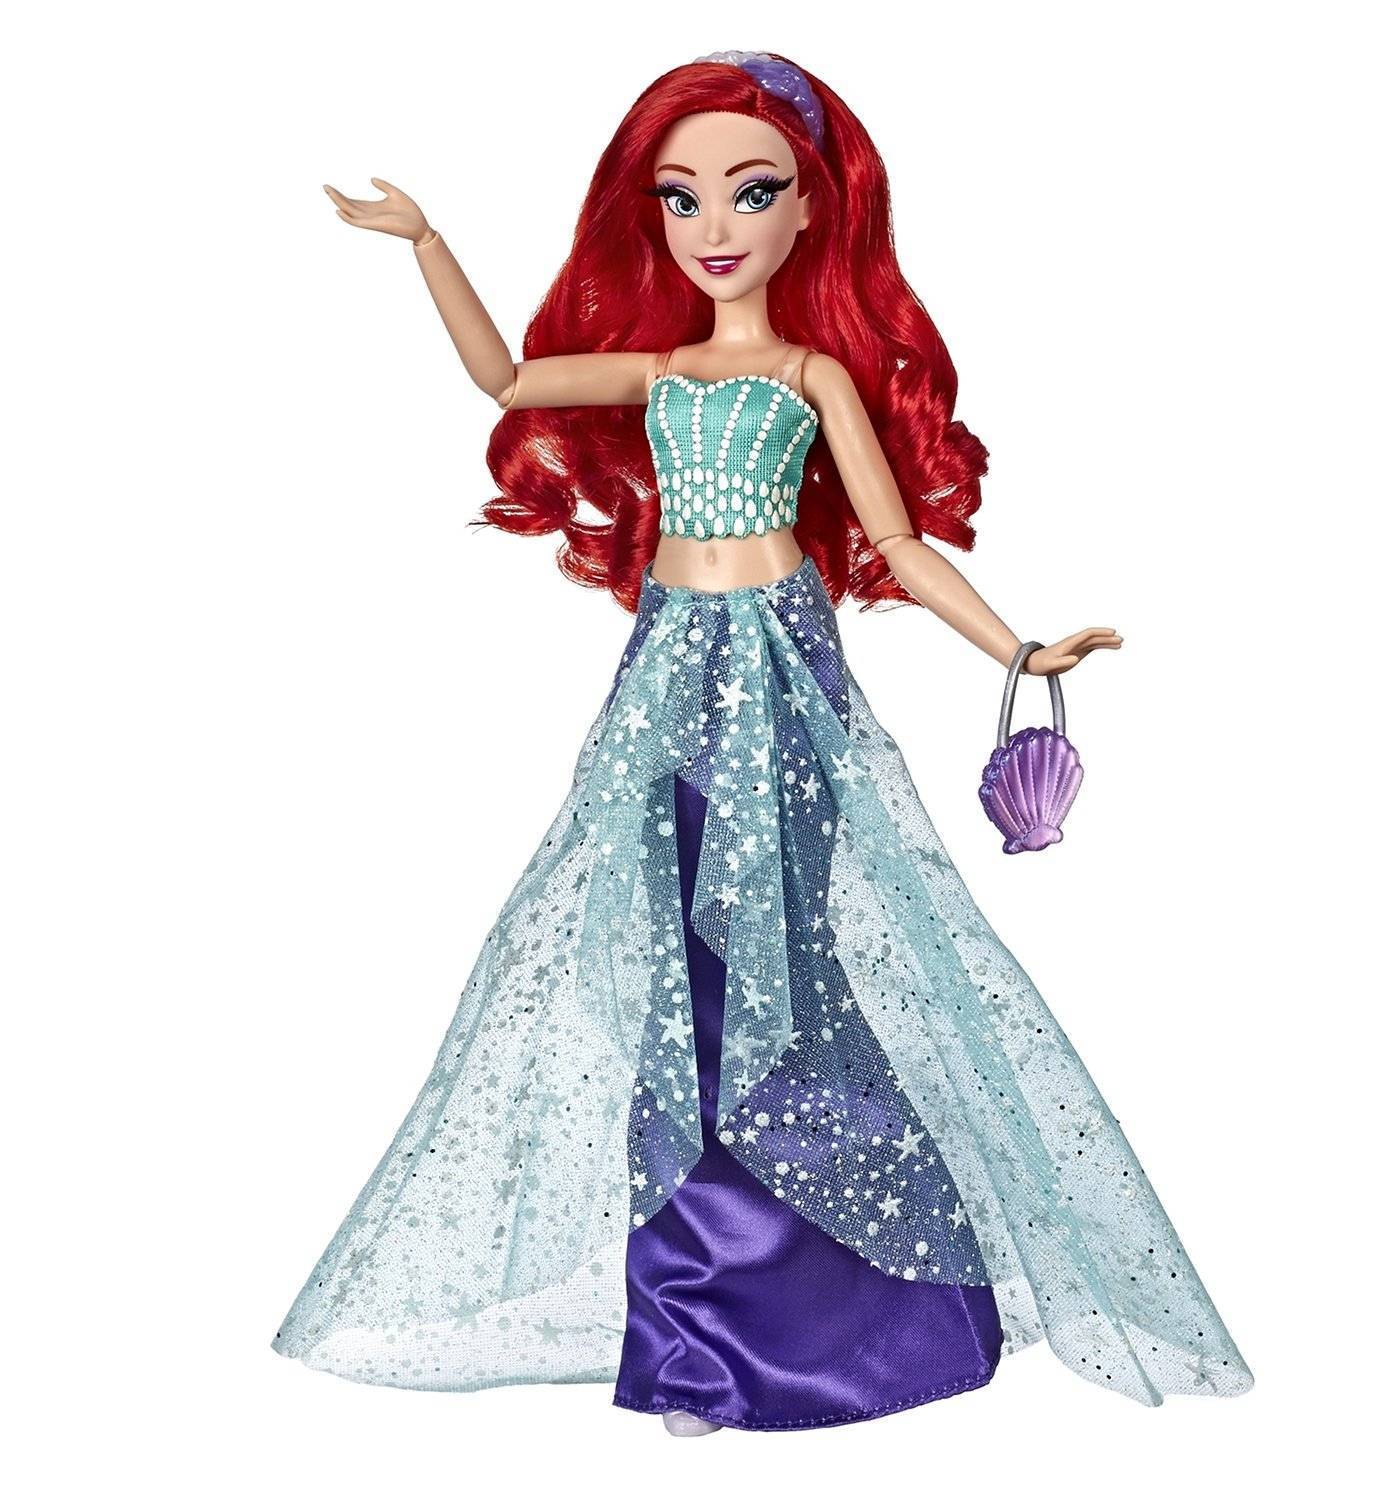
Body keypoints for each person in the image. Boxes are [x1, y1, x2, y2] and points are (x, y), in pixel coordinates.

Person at [274, 50, 1252, 1434]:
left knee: (785, 976)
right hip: (669, 677)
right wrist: (427, 242)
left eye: (750, 192)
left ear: (809, 210)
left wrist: (1016, 650)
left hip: (782, 684)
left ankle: (859, 1312)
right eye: (682, 199)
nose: (714, 226)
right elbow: (506, 380)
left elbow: (897, 543)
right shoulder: (665, 369)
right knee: (676, 980)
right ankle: (698, 1337)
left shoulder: (808, 375)